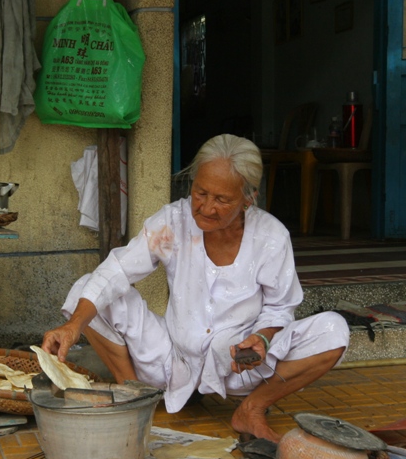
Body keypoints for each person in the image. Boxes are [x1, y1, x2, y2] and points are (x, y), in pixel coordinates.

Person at [41, 134, 349, 442]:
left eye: (222, 200)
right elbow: (118, 269)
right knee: (89, 288)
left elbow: (280, 307)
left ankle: (251, 410)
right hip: (170, 359)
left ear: (248, 198)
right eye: (200, 192)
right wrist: (73, 326)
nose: (205, 207)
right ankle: (131, 394)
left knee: (334, 330)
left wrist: (262, 339)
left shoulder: (270, 237)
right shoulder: (173, 221)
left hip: (236, 365)